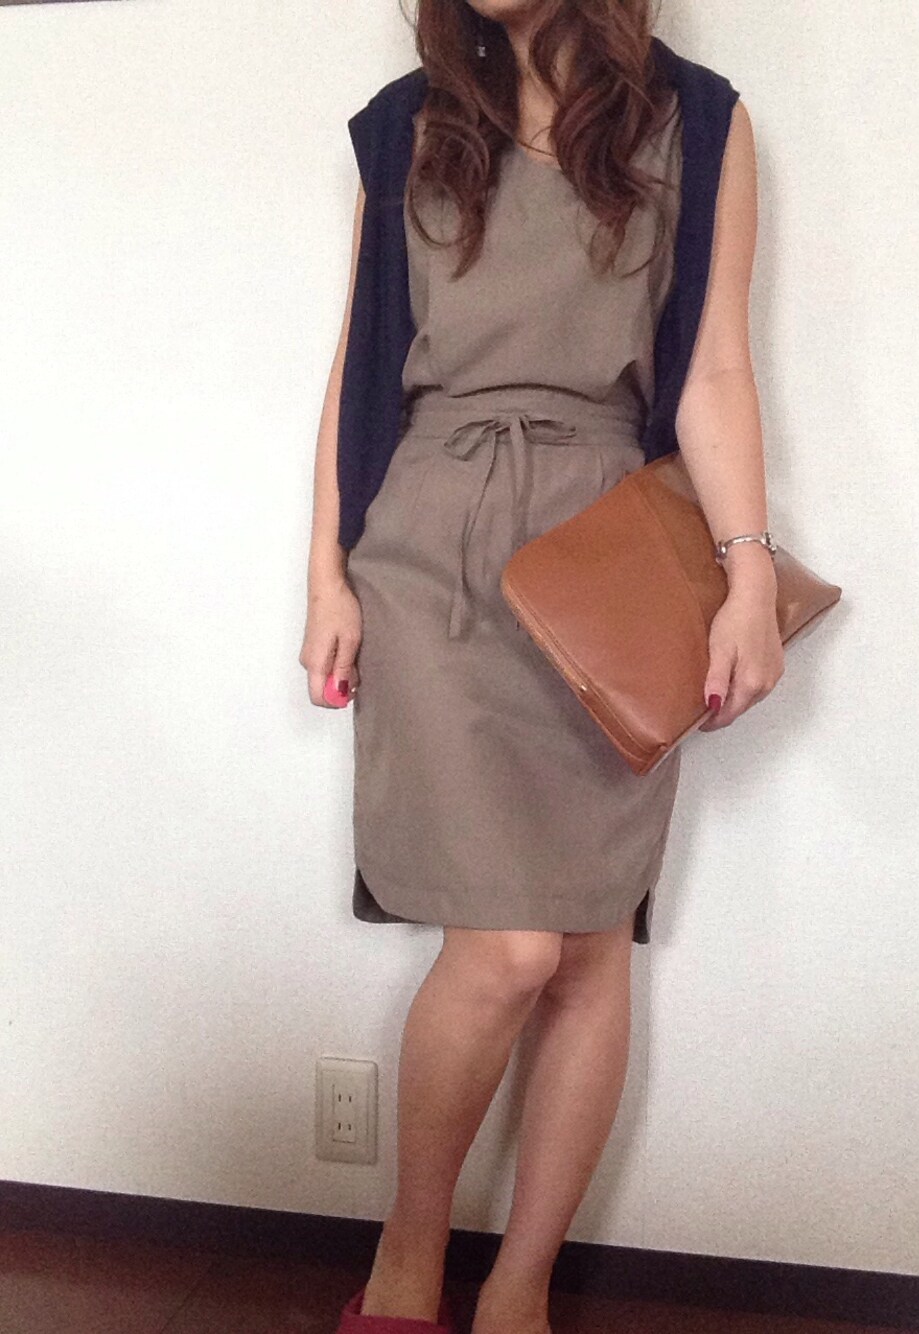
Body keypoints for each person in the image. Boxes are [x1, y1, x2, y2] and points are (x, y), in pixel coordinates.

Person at [300, 4, 784, 1332]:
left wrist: (747, 573)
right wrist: (326, 570)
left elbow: (717, 370)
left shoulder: (699, 121)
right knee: (508, 948)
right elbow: (359, 368)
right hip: (431, 537)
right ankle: (406, 1266)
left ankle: (519, 1291)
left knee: (585, 945)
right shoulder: (406, 128)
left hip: (607, 554)